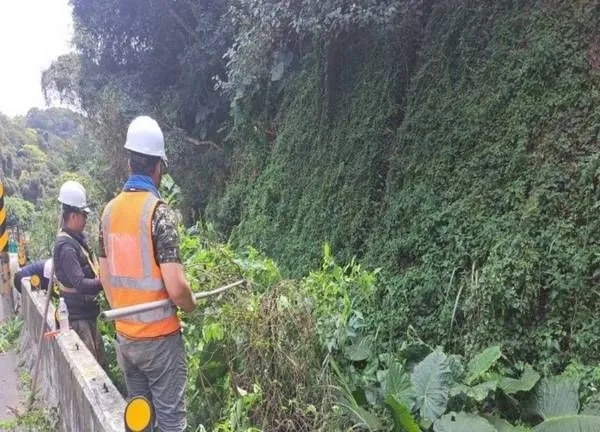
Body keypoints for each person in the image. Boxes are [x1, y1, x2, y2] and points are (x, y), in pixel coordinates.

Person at [99, 116, 196, 432]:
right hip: (160, 343)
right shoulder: (159, 214)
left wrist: (128, 318)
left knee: (140, 418)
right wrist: (191, 305)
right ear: (159, 167)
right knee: (169, 421)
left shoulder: (108, 213)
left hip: (126, 339)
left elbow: (106, 278)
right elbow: (177, 287)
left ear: (129, 162)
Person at [53, 180, 107, 369]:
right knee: (91, 368)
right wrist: (105, 282)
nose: (86, 219)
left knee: (99, 363)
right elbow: (81, 283)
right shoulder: (66, 247)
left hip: (87, 314)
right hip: (78, 318)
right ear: (74, 215)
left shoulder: (77, 239)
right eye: (84, 215)